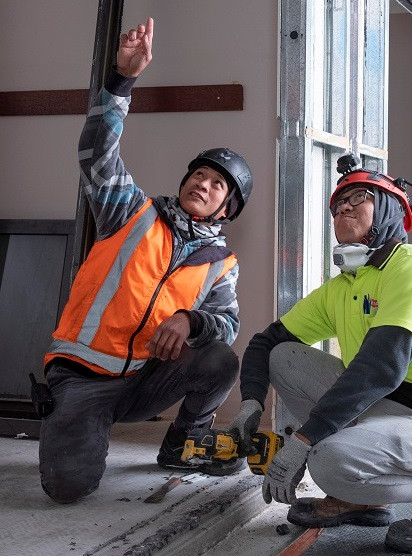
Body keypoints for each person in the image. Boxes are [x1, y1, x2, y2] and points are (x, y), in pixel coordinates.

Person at [228, 154, 412, 554]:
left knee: (328, 459)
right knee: (284, 355)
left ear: (388, 209)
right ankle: (363, 496)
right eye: (337, 204)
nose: (343, 207)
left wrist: (304, 438)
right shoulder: (345, 285)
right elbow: (266, 342)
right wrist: (250, 401)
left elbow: (381, 367)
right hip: (391, 409)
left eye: (359, 197)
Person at [39, 17, 253, 504]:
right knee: (68, 489)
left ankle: (184, 444)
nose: (202, 183)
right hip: (83, 376)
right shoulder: (130, 212)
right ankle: (70, 424)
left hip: (146, 380)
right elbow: (97, 155)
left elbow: (227, 324)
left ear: (228, 209)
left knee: (219, 360)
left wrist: (189, 318)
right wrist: (121, 81)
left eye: (217, 184)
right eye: (198, 174)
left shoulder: (221, 262)